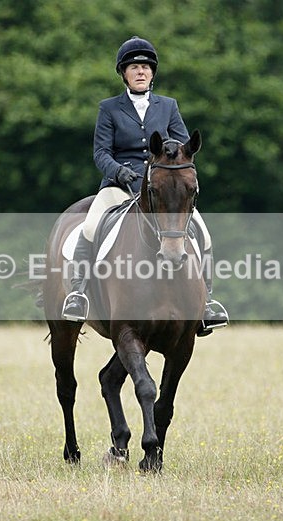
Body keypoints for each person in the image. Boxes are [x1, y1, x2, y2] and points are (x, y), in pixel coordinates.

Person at [61, 36, 228, 336]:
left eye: (146, 67)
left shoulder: (168, 106)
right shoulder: (109, 108)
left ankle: (207, 304)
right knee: (90, 226)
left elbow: (182, 144)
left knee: (202, 230)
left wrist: (170, 163)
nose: (141, 71)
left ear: (153, 73)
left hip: (160, 188)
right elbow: (101, 153)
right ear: (124, 73)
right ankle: (79, 293)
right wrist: (119, 171)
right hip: (118, 186)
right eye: (134, 67)